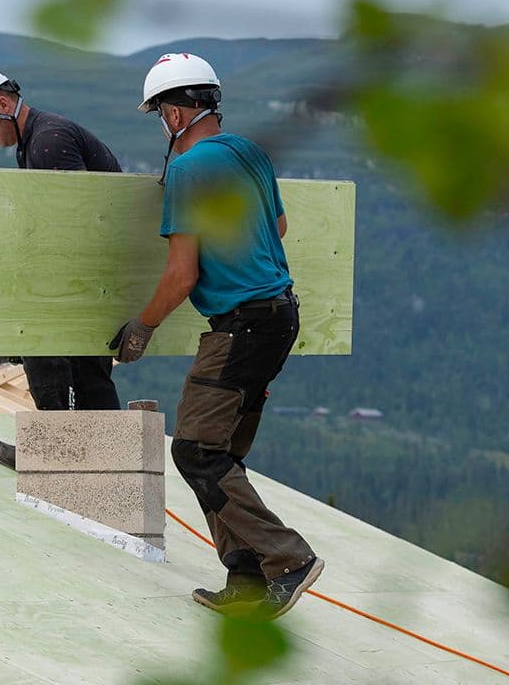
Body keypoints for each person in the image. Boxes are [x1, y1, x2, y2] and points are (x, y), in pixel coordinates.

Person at [109, 53, 323, 620]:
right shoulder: (249, 151)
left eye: (160, 114)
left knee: (196, 451)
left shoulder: (187, 170)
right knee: (221, 453)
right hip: (279, 318)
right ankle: (247, 579)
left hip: (243, 325)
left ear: (176, 113)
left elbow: (182, 274)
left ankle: (288, 557)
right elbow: (278, 226)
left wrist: (142, 327)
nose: (163, 124)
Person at [0, 67, 122, 469]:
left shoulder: (47, 142)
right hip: (98, 276)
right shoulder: (38, 139)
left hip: (87, 278)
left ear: (3, 105)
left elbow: (74, 222)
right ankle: (101, 461)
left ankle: (58, 454)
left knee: (42, 340)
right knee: (88, 375)